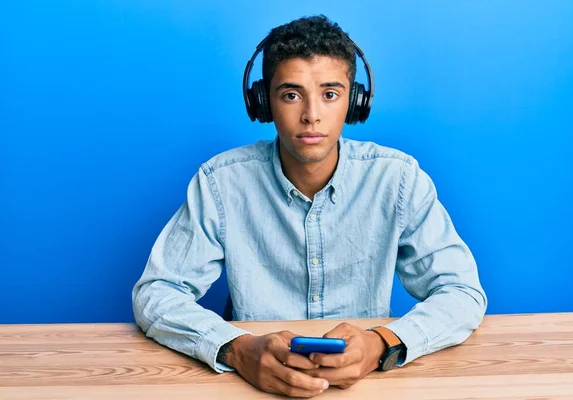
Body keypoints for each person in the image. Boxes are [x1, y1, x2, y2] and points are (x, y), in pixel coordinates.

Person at [132, 14, 487, 398]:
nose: (311, 115)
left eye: (330, 94)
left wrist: (382, 343)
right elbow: (157, 292)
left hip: (367, 387)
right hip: (252, 388)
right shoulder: (221, 182)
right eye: (291, 94)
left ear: (355, 102)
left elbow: (461, 292)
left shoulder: (398, 179)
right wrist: (235, 348)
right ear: (262, 102)